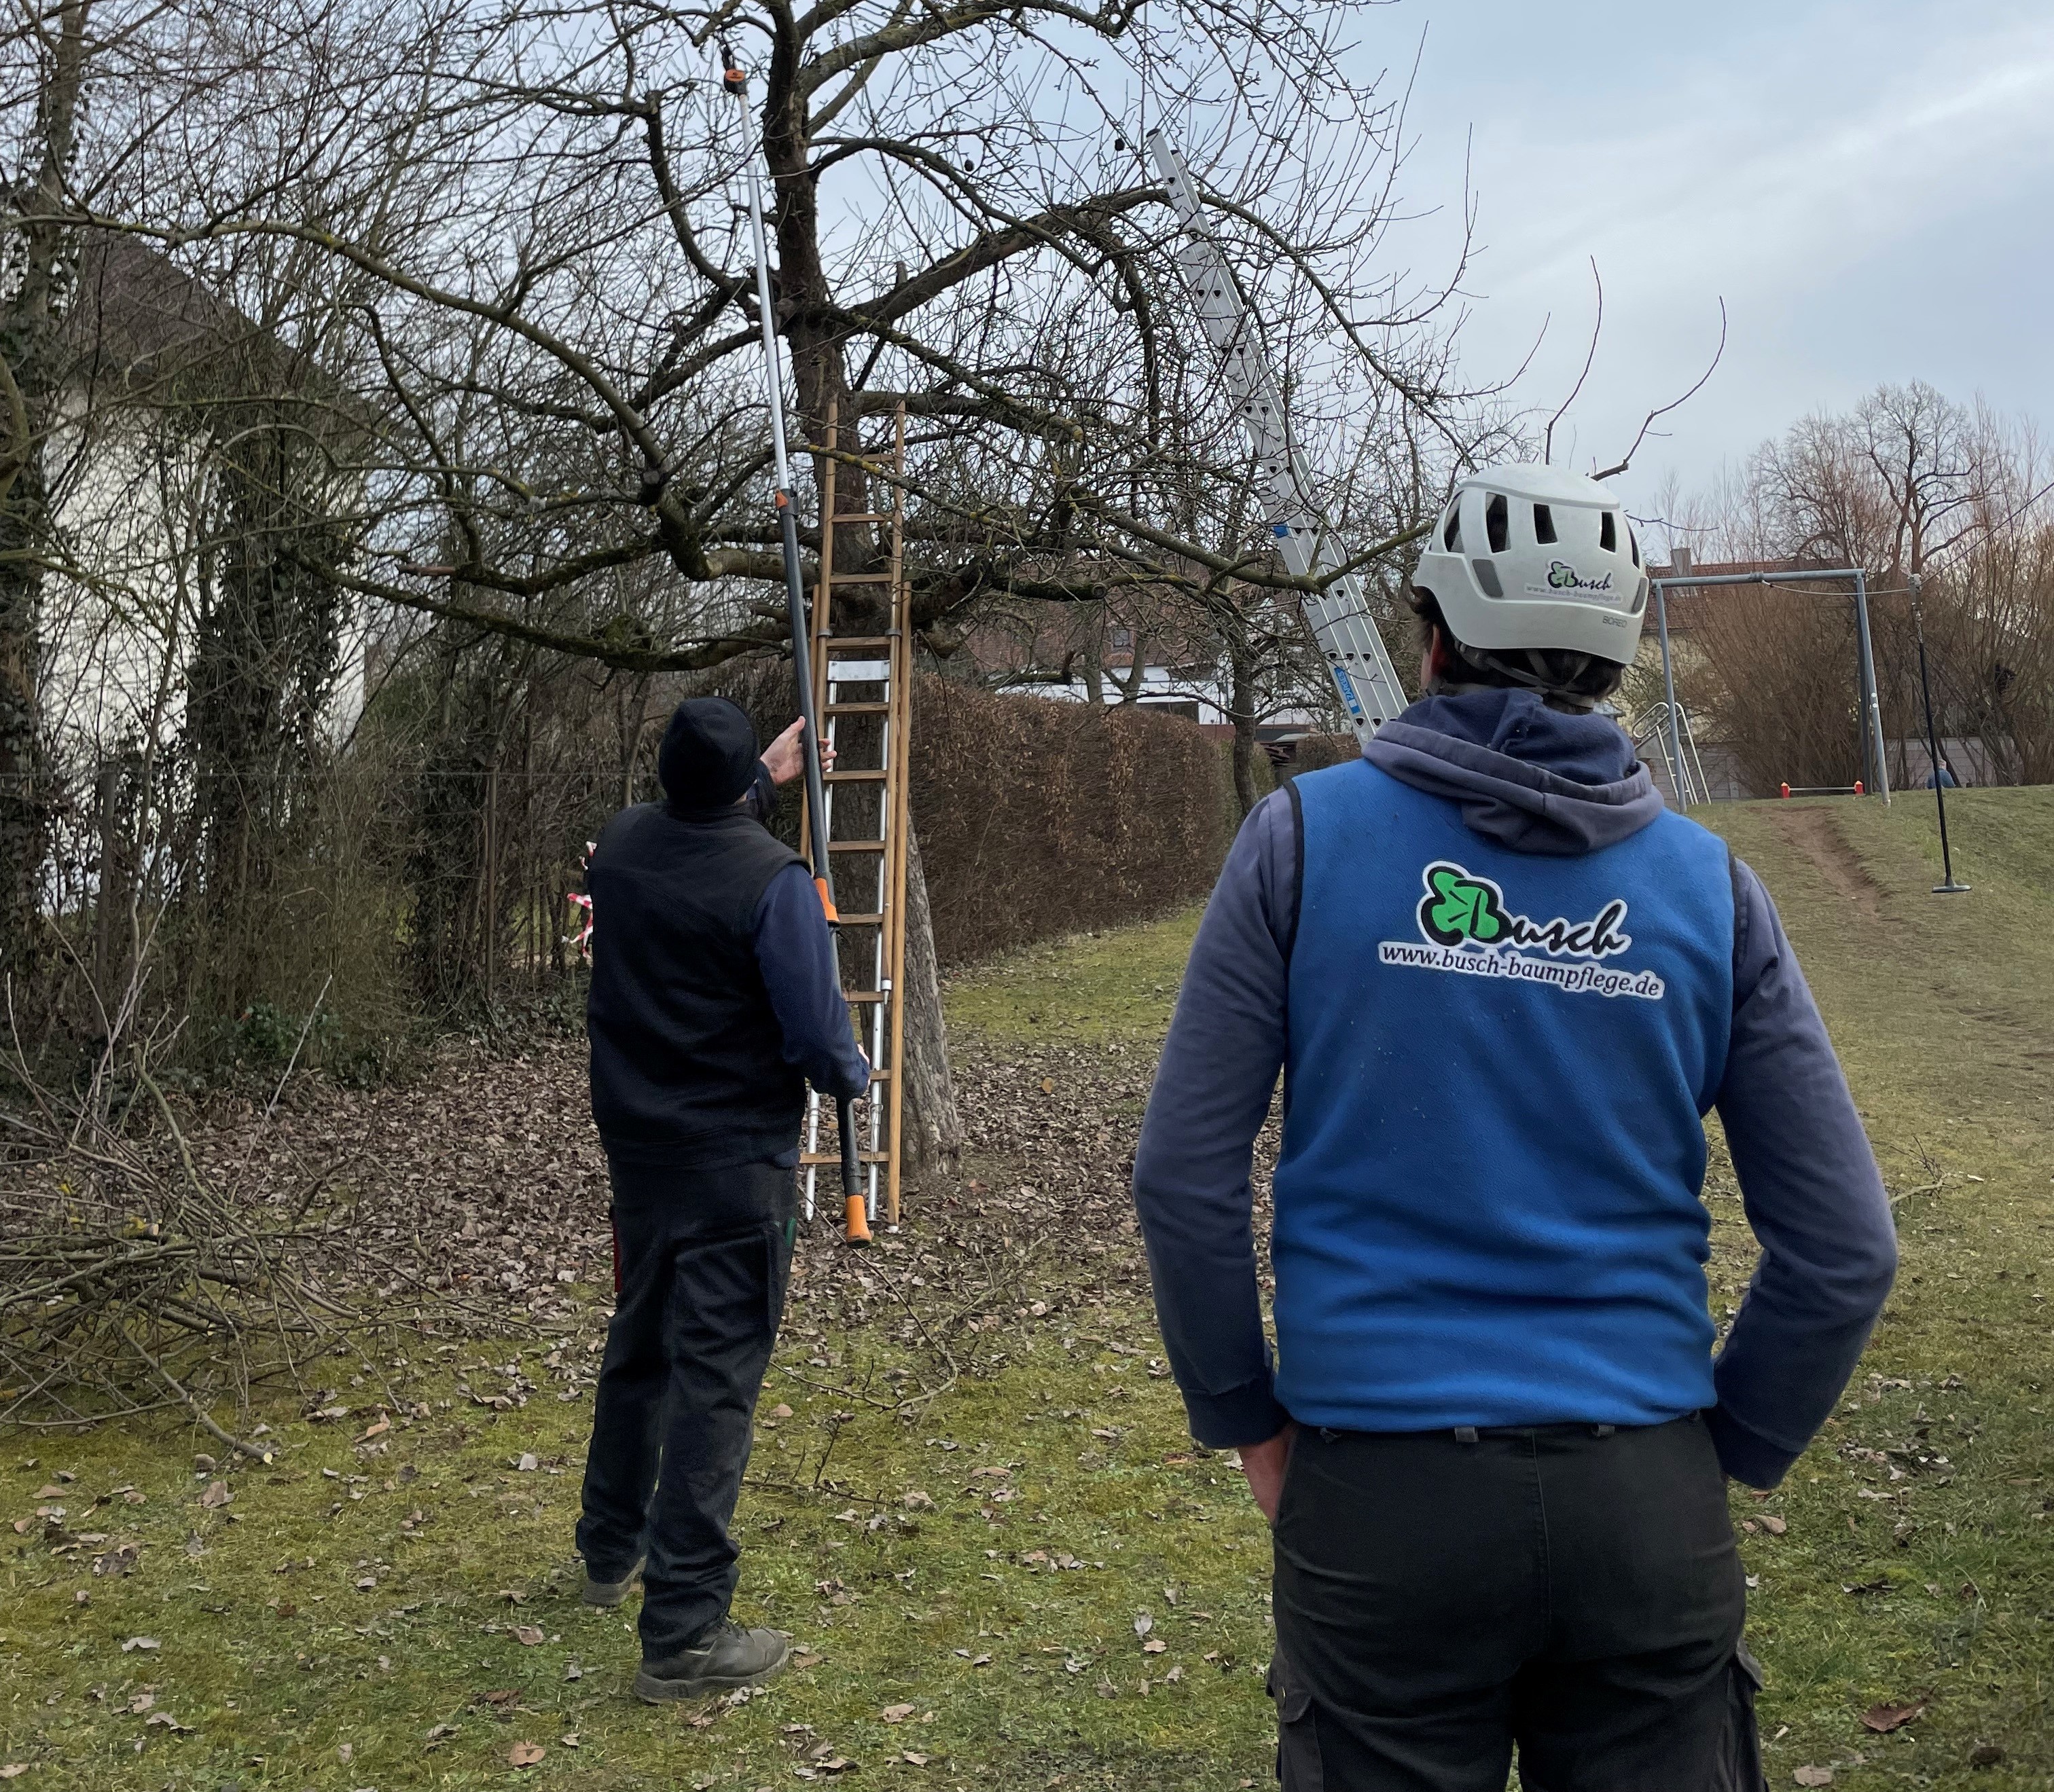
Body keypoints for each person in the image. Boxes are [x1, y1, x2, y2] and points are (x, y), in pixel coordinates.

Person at [1132, 464, 1898, 1791]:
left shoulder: (1299, 841)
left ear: (1429, 638)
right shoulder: (1709, 891)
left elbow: (1184, 1179)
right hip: (1644, 1500)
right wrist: (1719, 1453)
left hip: (1381, 1503)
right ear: (1615, 656)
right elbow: (1843, 1246)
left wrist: (1247, 1419)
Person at [577, 695, 869, 1703]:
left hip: (640, 1154)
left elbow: (690, 827)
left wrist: (760, 778)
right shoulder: (773, 885)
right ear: (739, 784)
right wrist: (853, 1067)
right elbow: (819, 1040)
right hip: (735, 1168)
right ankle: (686, 1632)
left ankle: (608, 1548)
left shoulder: (618, 848)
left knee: (641, 1340)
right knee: (715, 1379)